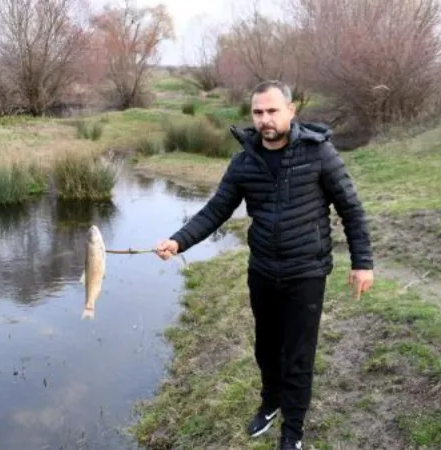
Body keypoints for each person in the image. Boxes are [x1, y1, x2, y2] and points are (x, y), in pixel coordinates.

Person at [155, 80, 374, 450]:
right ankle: (270, 402)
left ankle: (293, 432)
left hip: (306, 272)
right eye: (258, 112)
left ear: (291, 111)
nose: (265, 119)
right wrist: (179, 241)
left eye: (273, 111)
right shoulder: (244, 161)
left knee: (298, 356)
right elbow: (216, 210)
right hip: (262, 272)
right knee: (266, 349)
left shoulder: (320, 154)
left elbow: (351, 208)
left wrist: (362, 263)